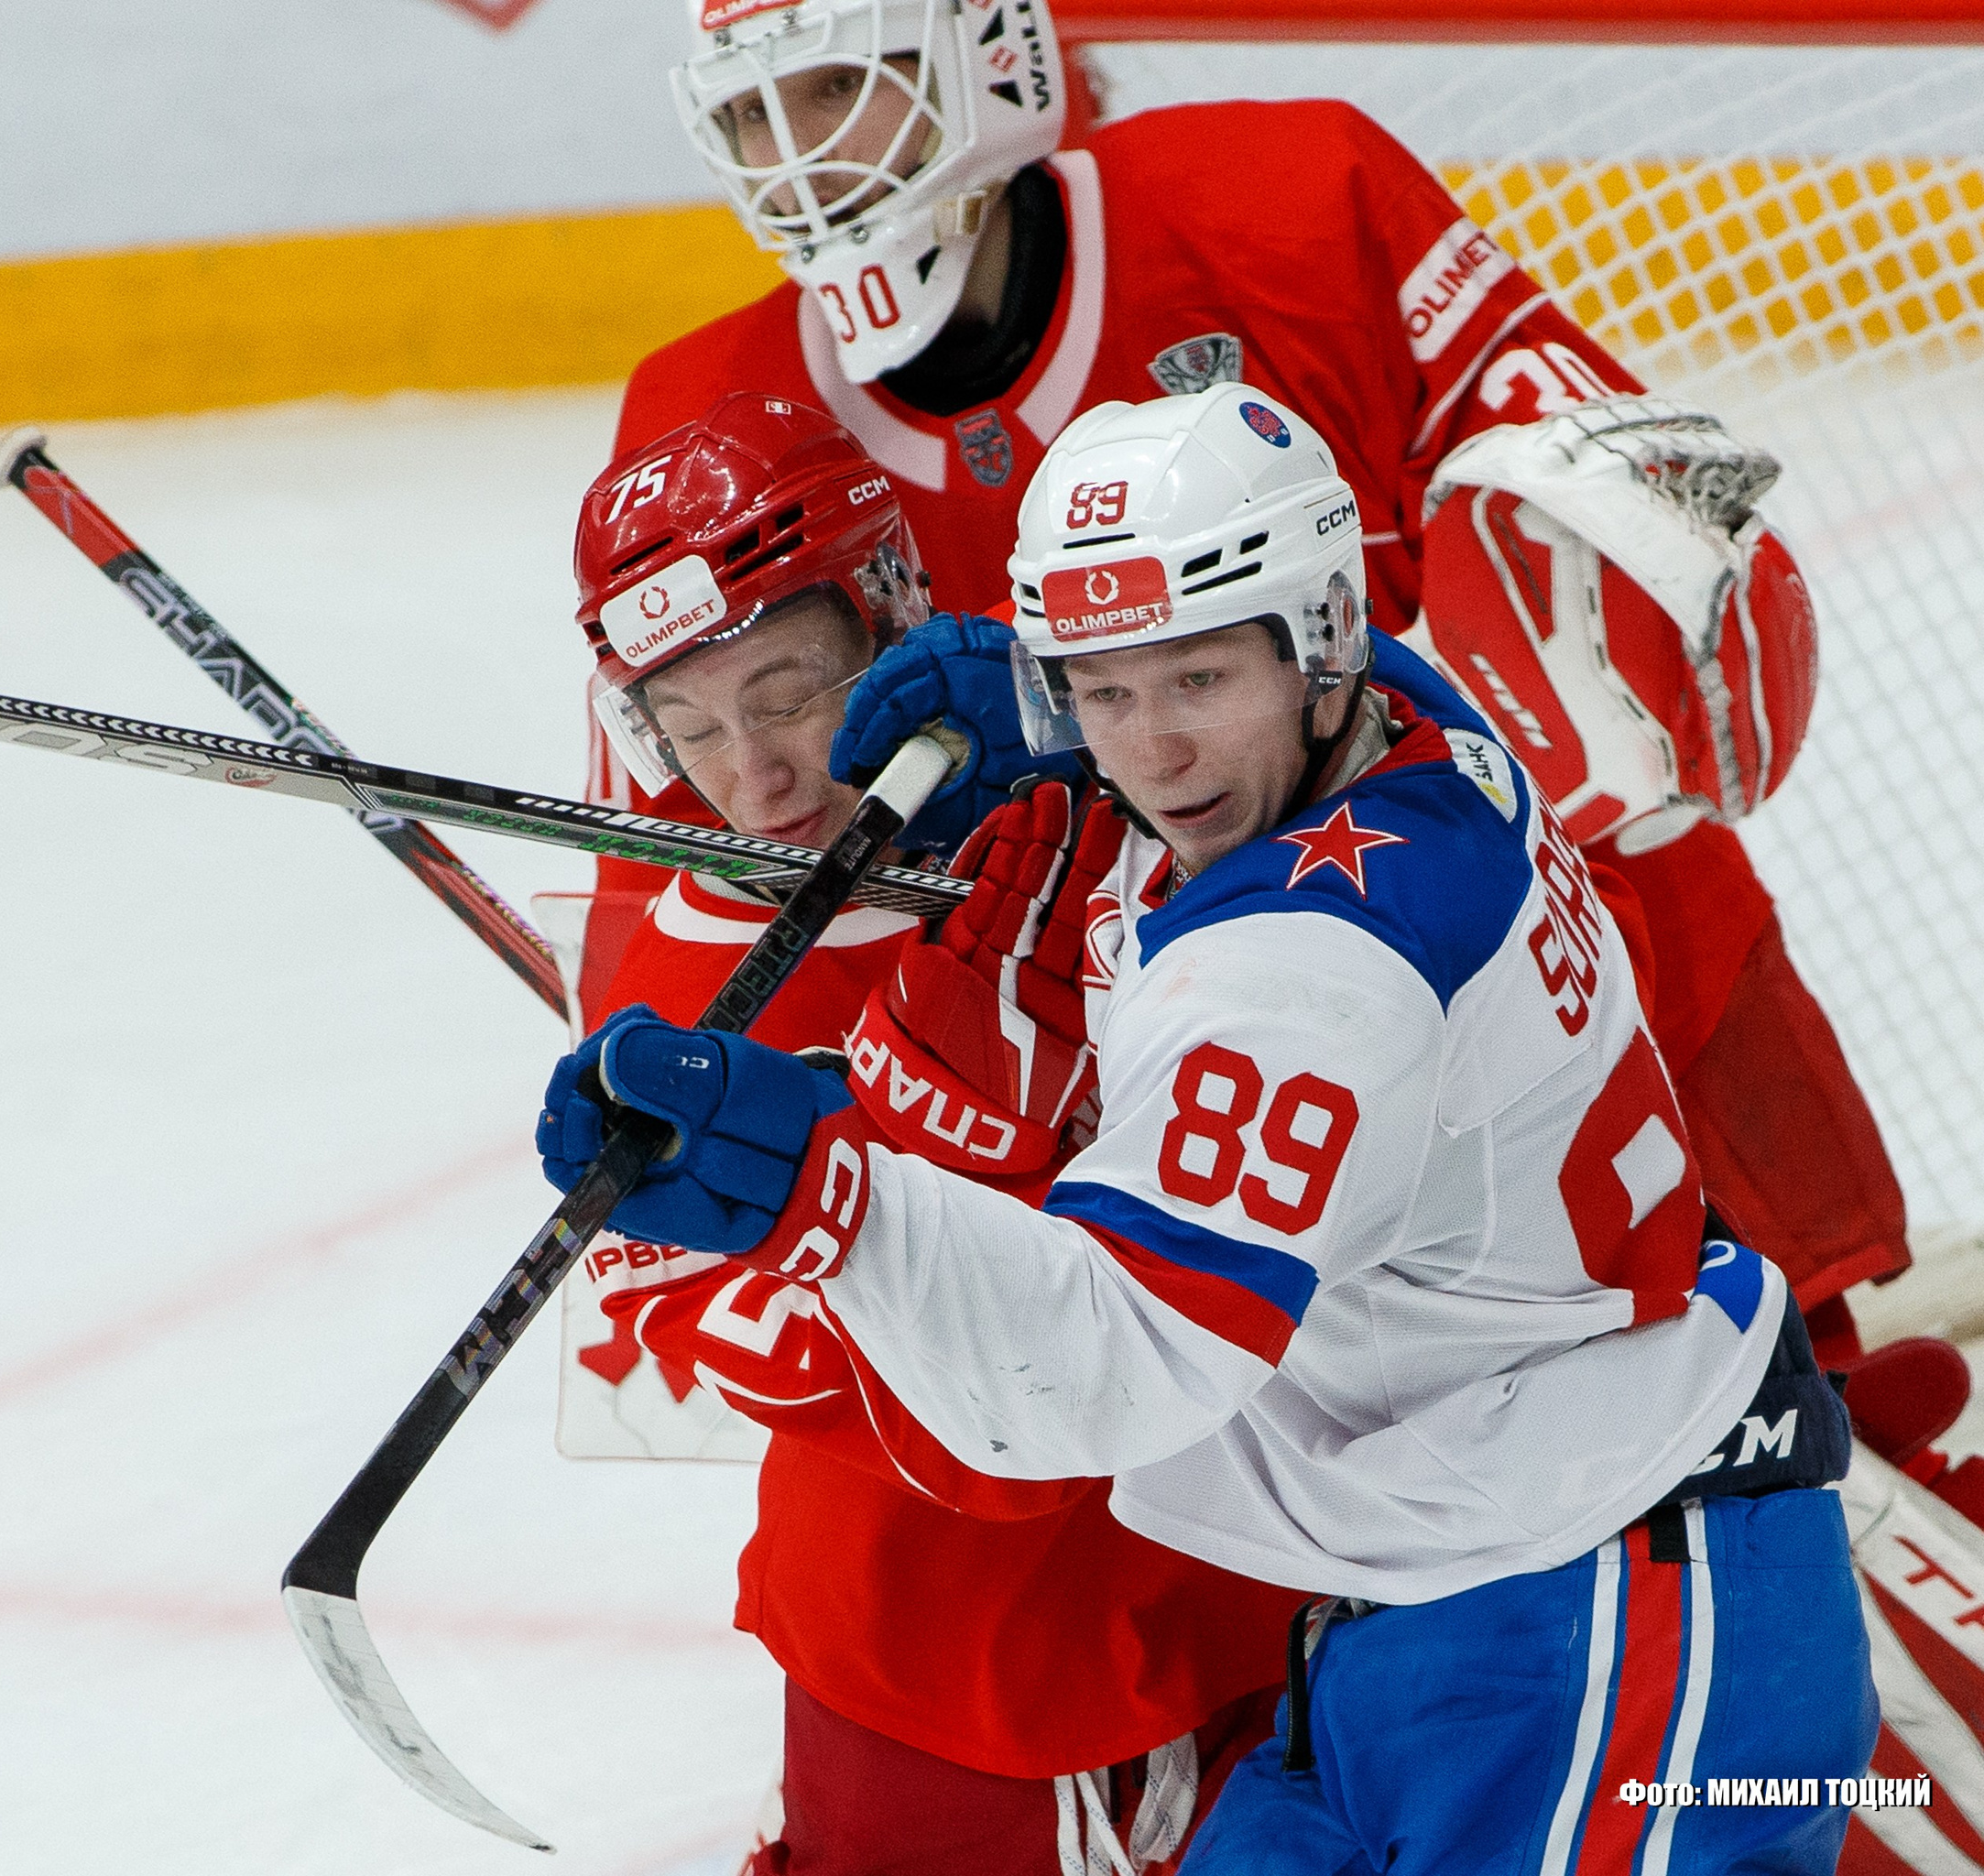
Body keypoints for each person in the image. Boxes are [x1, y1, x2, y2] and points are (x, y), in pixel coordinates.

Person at [542, 387, 1879, 1874]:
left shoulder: (1292, 968)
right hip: (1391, 1595)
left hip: (1583, 1589)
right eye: (1104, 693)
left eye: (1196, 681)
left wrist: (830, 1183)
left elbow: (1097, 1378)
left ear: (1317, 642)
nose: (1157, 758)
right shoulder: (1425, 734)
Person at [574, 0, 1908, 1362]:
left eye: (833, 88)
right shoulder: (709, 436)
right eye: (750, 112)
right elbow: (664, 878)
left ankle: (1801, 1335)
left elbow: (1628, 625)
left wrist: (1062, 717)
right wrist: (659, 1106)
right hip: (1149, 1095)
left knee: (1618, 840)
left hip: (1503, 947)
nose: (795, 156)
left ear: (990, 51)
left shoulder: (1296, 206)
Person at [564, 389, 1302, 1875]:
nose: (752, 778)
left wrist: (1076, 753)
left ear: (895, 608)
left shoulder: (1110, 778)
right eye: (688, 727)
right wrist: (896, 1171)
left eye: (786, 695)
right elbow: (720, 1324)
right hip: (928, 1650)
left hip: (1242, 1566)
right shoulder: (674, 983)